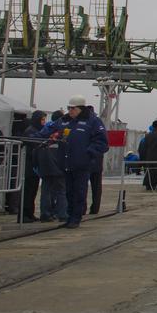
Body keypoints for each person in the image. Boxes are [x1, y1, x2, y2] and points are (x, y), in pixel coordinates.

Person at [35, 95, 108, 228]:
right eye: (69, 108)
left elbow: (102, 142)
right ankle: (69, 217)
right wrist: (34, 138)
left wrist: (88, 153)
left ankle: (76, 218)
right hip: (66, 164)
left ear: (80, 108)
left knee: (79, 192)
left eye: (73, 108)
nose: (70, 111)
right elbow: (49, 130)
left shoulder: (93, 122)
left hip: (82, 164)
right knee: (68, 192)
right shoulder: (64, 121)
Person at [19, 110, 47, 221]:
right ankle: (24, 214)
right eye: (42, 119)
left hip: (35, 165)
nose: (44, 122)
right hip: (29, 165)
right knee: (27, 191)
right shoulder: (30, 131)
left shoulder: (38, 131)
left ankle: (29, 213)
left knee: (33, 190)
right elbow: (33, 144)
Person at [37, 125, 67, 222]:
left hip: (46, 170)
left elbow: (37, 155)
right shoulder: (62, 140)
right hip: (59, 169)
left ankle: (45, 214)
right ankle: (62, 214)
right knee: (61, 192)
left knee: (46, 192)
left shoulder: (44, 141)